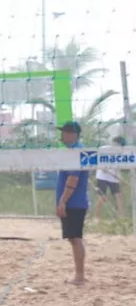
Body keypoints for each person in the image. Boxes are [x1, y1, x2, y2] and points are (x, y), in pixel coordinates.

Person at [56, 121, 88, 285]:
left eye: (65, 132)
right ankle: (79, 275)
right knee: (73, 238)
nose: (62, 135)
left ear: (73, 134)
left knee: (75, 238)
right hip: (75, 202)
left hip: (74, 203)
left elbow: (73, 180)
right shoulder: (73, 151)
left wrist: (62, 202)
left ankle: (79, 276)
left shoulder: (76, 151)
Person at [93, 135, 125, 220]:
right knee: (102, 197)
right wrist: (103, 167)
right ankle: (96, 217)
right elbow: (98, 161)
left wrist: (120, 178)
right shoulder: (104, 149)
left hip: (113, 177)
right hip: (102, 176)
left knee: (118, 196)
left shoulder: (121, 153)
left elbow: (118, 168)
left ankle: (121, 217)